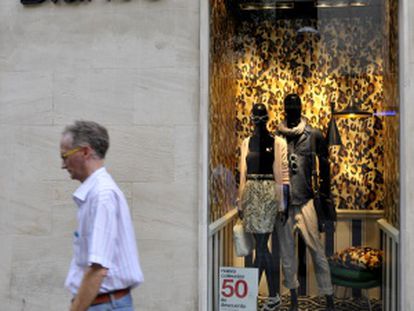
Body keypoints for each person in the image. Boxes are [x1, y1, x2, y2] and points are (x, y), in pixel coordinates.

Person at [60, 120, 144, 311]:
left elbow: (98, 269)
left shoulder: (102, 196)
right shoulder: (96, 194)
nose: (63, 165)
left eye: (65, 156)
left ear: (85, 152)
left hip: (105, 305)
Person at [276, 94, 335, 311]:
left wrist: (327, 199)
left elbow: (326, 168)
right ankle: (292, 299)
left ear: (301, 108)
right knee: (287, 255)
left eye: (295, 106)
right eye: (288, 106)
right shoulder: (277, 137)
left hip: (307, 201)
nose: (291, 110)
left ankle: (329, 297)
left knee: (318, 253)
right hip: (284, 204)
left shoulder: (314, 135)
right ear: (284, 108)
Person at [238, 103, 290, 311]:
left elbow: (284, 175)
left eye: (261, 117)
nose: (258, 121)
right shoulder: (246, 143)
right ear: (251, 119)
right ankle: (272, 296)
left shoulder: (278, 143)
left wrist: (283, 204)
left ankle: (254, 295)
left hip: (269, 194)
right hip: (251, 194)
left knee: (261, 244)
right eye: (255, 117)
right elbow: (241, 174)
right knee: (261, 246)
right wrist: (240, 202)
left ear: (267, 119)